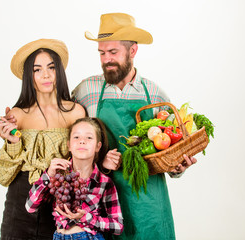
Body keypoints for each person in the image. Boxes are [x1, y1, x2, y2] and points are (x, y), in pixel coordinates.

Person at [72, 13, 197, 240]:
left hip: (149, 201)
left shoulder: (154, 93)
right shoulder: (86, 90)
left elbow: (174, 145)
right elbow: (69, 137)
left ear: (133, 51)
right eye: (101, 53)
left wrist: (178, 168)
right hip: (102, 201)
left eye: (113, 52)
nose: (106, 59)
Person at [0, 38, 86, 240]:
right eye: (37, 69)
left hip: (60, 204)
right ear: (29, 75)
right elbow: (3, 175)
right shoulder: (17, 115)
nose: (45, 75)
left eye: (51, 67)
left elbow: (84, 161)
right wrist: (12, 142)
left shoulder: (76, 112)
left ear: (58, 71)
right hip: (20, 203)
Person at [25, 117, 124, 240]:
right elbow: (30, 206)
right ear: (69, 145)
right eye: (76, 137)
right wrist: (48, 175)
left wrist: (86, 218)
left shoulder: (104, 182)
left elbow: (118, 226)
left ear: (98, 146)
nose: (82, 141)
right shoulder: (58, 176)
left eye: (89, 137)